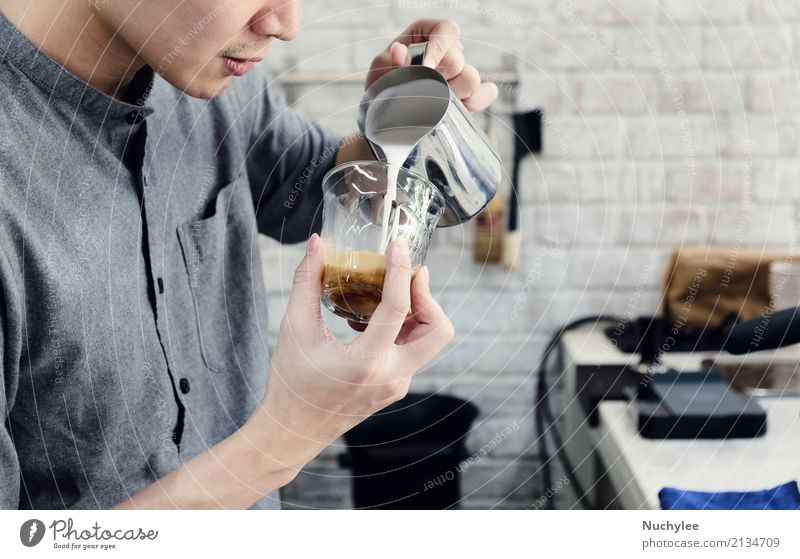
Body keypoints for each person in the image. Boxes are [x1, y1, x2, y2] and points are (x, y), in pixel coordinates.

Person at [0, 0, 498, 509]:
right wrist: (288, 435)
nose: (285, 26)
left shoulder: (202, 70)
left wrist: (390, 123)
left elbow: (299, 191)